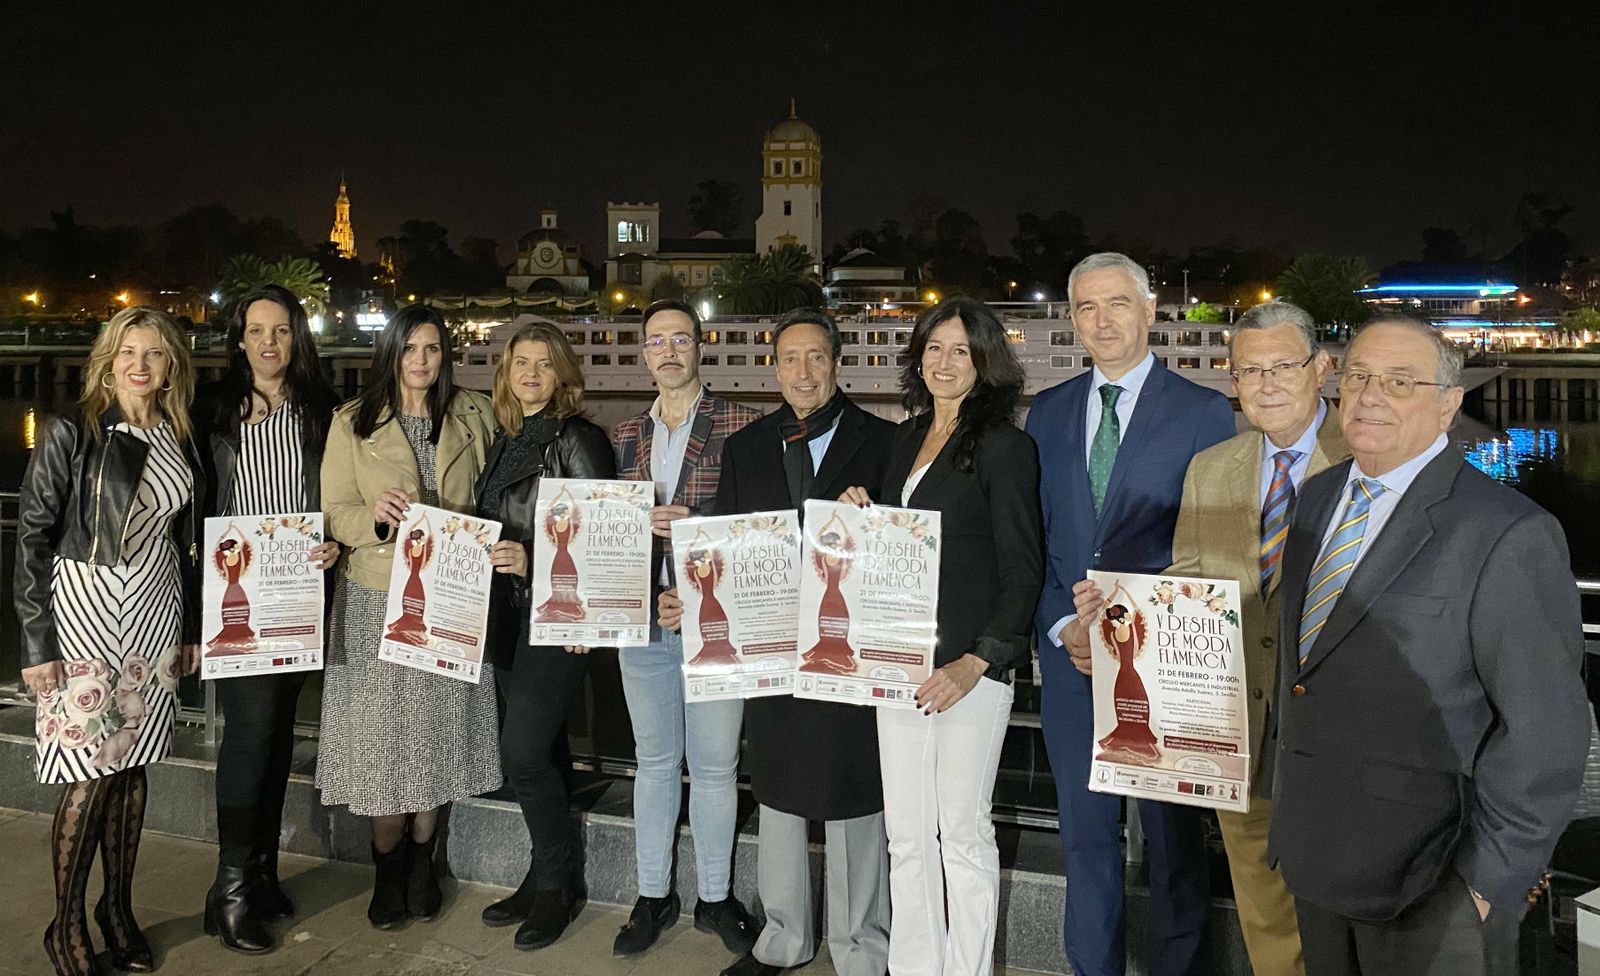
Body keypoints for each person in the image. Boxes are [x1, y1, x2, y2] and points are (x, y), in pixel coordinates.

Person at [1268, 313, 1589, 976]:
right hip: (1316, 860)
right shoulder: (1317, 499)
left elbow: (1547, 731)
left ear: (1449, 403)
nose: (1370, 395)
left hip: (1433, 883)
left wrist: (1486, 883)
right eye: (1357, 376)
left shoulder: (1506, 533)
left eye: (1400, 381)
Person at [1070, 301, 1346, 976]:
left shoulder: (1367, 461)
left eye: (1283, 366)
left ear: (1322, 370)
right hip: (1238, 736)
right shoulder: (1213, 469)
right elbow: (1186, 590)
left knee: (1345, 915)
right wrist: (1113, 619)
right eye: (1250, 371)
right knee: (1264, 913)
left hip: (1341, 745)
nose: (1268, 383)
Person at [661, 308, 895, 976]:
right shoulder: (748, 446)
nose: (803, 371)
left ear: (838, 363)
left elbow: (908, 547)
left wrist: (874, 523)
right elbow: (729, 548)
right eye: (790, 358)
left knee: (857, 795)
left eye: (817, 357)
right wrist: (692, 596)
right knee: (780, 792)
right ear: (773, 367)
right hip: (769, 651)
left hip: (847, 646)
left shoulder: (884, 443)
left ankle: (862, 948)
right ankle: (784, 936)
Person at [1025, 252, 1235, 976]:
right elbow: (1040, 543)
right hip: (1070, 662)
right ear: (1073, 320)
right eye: (1087, 307)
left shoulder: (1204, 411)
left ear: (1150, 311)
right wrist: (1066, 628)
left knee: (1175, 845)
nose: (1103, 320)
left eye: (1118, 303)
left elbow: (1215, 543)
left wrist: (1132, 628)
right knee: (1085, 839)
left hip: (1165, 662)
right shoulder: (1047, 413)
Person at [838, 297, 1043, 976]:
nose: (944, 362)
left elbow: (1023, 568)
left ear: (986, 362)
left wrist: (978, 661)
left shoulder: (1007, 447)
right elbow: (897, 546)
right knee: (906, 837)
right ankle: (914, 967)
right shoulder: (906, 437)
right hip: (898, 664)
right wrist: (860, 515)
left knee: (962, 834)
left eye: (961, 350)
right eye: (933, 348)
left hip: (966, 673)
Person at [17, 307, 205, 976]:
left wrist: (186, 631)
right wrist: (37, 643)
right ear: (109, 355)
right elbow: (33, 536)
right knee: (89, 778)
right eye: (129, 349)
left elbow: (183, 547)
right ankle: (64, 926)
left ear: (171, 365)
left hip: (155, 612)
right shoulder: (74, 429)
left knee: (131, 773)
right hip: (86, 612)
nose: (141, 364)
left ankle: (116, 910)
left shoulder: (181, 433)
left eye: (155, 353)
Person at [316, 304, 500, 928]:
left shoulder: (473, 414)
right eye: (409, 348)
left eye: (432, 349)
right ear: (391, 353)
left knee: (437, 740)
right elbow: (334, 510)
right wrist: (374, 517)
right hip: (375, 598)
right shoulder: (352, 422)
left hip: (451, 596)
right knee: (383, 751)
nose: (421, 361)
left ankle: (424, 864)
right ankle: (386, 869)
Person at [608, 300, 762, 958]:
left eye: (680, 339)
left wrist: (694, 555)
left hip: (717, 624)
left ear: (701, 347)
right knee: (654, 764)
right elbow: (604, 537)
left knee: (718, 767)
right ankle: (652, 893)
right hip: (641, 625)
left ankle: (717, 897)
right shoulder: (622, 437)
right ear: (644, 355)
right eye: (655, 342)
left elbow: (760, 529)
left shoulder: (742, 426)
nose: (667, 351)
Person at [192, 285, 342, 954]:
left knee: (279, 735)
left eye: (281, 330)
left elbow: (334, 495)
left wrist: (333, 539)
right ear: (240, 339)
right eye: (257, 330)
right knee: (249, 738)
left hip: (301, 593)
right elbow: (189, 501)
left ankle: (260, 875)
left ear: (296, 338)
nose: (270, 343)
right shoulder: (213, 411)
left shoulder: (320, 412)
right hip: (238, 593)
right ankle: (226, 892)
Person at [471, 321, 616, 950]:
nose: (530, 373)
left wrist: (533, 561)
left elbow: (604, 534)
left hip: (554, 618)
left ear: (562, 373)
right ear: (506, 373)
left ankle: (561, 886)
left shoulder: (579, 439)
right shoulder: (505, 440)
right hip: (505, 617)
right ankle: (543, 873)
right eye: (519, 363)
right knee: (548, 751)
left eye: (543, 363)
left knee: (523, 753)